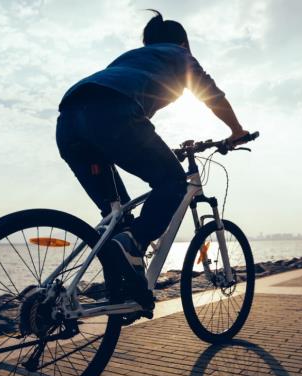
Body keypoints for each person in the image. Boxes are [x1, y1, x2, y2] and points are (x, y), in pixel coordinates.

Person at [55, 10, 249, 311]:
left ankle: (123, 293)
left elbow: (126, 121)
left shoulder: (131, 58)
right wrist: (236, 131)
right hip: (112, 114)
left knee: (117, 217)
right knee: (172, 182)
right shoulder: (178, 54)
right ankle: (132, 248)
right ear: (184, 42)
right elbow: (210, 93)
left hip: (69, 122)